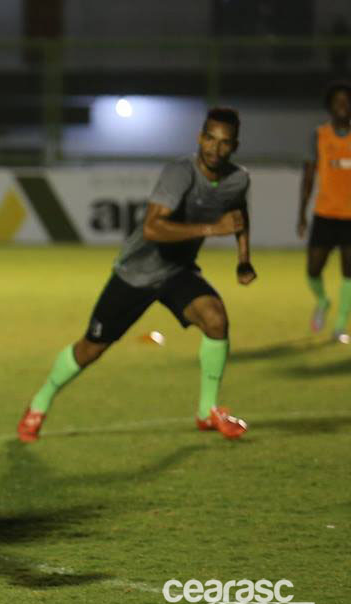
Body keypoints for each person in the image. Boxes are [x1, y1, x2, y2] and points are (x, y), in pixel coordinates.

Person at [17, 107, 255, 443]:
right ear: (200, 137)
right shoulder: (179, 173)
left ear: (235, 146)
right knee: (90, 349)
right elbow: (153, 228)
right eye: (210, 139)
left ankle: (207, 411)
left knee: (216, 320)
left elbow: (238, 211)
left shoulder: (238, 179)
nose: (215, 148)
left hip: (177, 272)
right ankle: (39, 404)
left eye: (224, 143)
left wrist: (243, 258)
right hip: (136, 273)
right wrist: (212, 228)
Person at [297, 81, 351, 343]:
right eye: (337, 101)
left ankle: (340, 326)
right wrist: (301, 213)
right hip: (325, 214)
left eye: (347, 101)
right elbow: (308, 176)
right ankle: (323, 301)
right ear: (330, 107)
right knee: (313, 269)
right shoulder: (319, 136)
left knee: (349, 272)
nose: (343, 106)